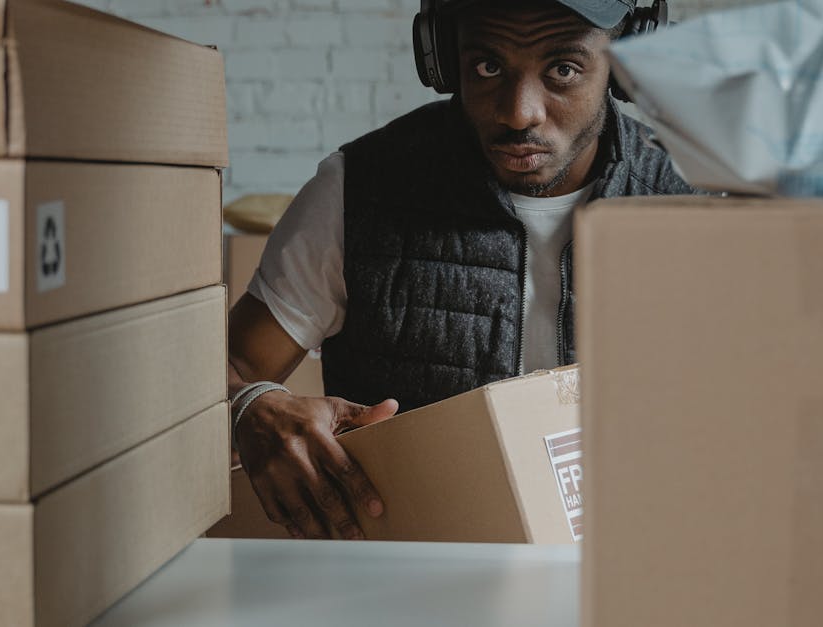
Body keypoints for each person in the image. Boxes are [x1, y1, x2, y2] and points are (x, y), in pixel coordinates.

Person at [227, 0, 697, 541]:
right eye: (488, 66)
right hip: (406, 591)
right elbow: (224, 370)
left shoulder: (697, 204)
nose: (520, 113)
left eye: (563, 69)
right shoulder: (360, 190)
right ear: (445, 59)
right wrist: (251, 406)